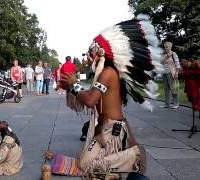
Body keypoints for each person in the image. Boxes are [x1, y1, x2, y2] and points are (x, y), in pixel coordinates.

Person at [61, 16, 162, 177]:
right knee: (85, 162)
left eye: (91, 50)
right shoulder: (103, 73)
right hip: (104, 130)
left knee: (85, 164)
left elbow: (90, 100)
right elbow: (90, 96)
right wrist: (71, 88)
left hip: (112, 131)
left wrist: (74, 85)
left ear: (102, 52)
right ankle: (122, 155)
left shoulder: (108, 73)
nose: (88, 54)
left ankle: (133, 156)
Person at [160, 41, 181, 109]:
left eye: (167, 47)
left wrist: (176, 73)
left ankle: (176, 103)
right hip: (164, 73)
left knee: (174, 88)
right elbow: (161, 62)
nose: (166, 48)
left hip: (171, 73)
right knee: (166, 90)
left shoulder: (173, 54)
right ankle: (167, 104)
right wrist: (166, 57)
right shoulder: (163, 55)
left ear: (170, 47)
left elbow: (177, 64)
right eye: (165, 47)